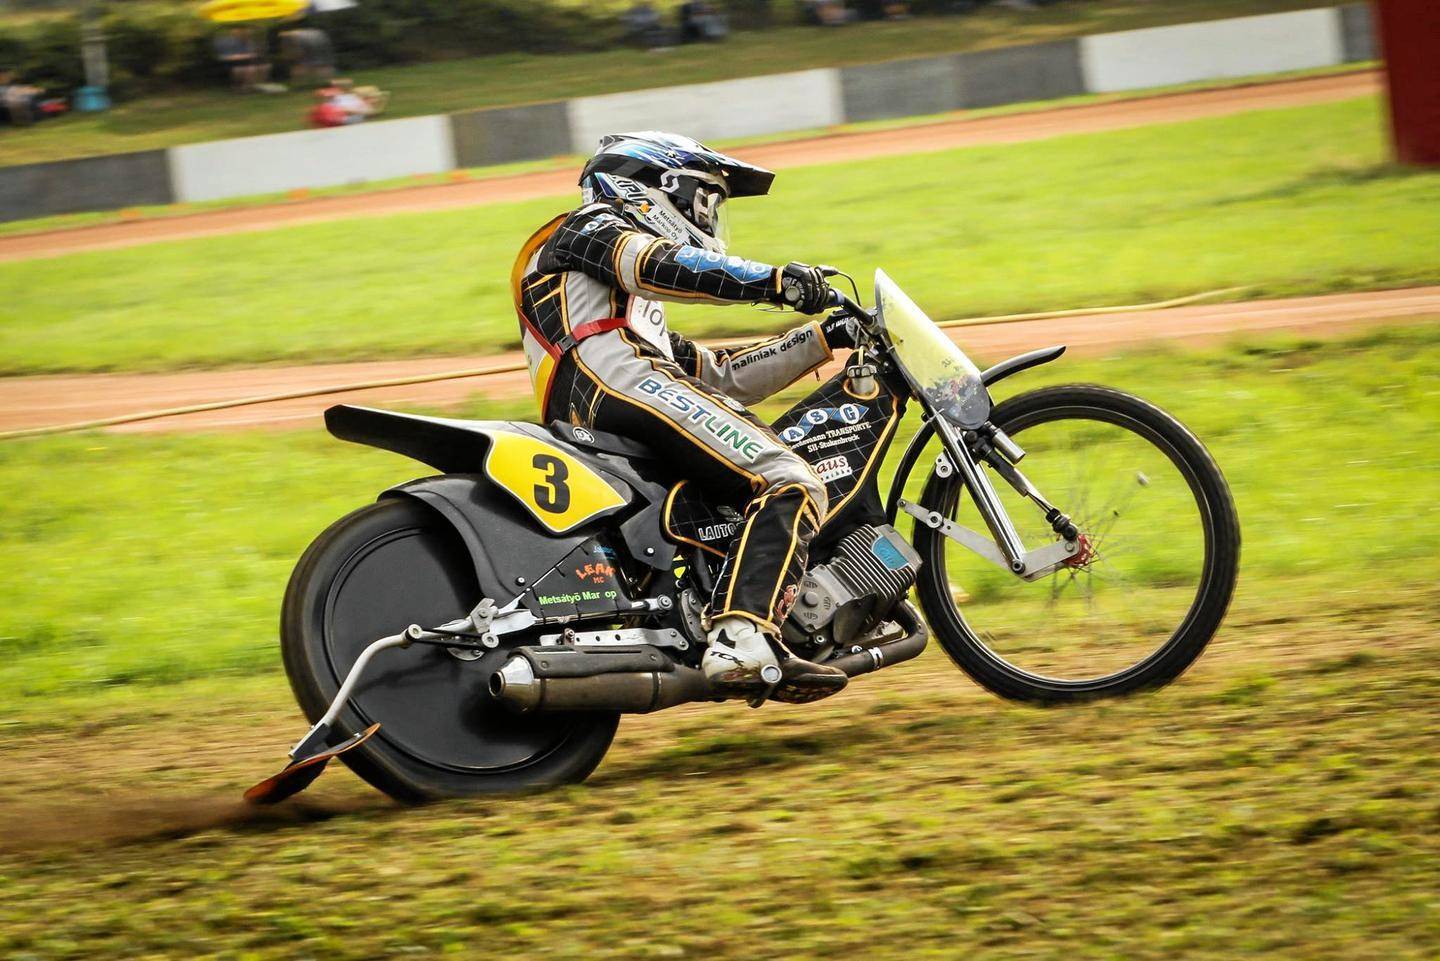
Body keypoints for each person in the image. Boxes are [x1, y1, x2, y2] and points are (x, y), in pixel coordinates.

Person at [512, 132, 858, 704]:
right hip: (614, 383)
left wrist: (823, 339)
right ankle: (742, 637)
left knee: (747, 487)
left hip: (612, 387)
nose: (710, 217)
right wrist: (775, 283)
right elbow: (660, 264)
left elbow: (717, 374)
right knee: (786, 477)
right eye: (705, 199)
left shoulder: (615, 308)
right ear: (654, 188)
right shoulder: (586, 228)